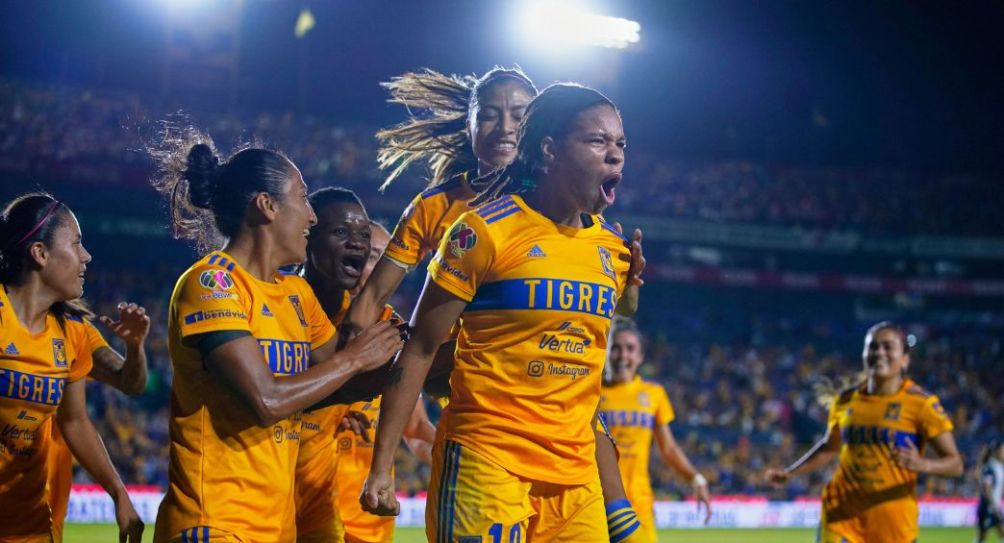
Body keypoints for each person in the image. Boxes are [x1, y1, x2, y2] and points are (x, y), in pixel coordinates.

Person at [362, 83, 643, 542]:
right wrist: (381, 467)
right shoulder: (481, 233)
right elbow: (419, 349)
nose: (615, 156)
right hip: (487, 460)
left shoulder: (612, 248)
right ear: (550, 150)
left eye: (620, 144)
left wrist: (632, 290)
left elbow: (615, 313)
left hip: (574, 478)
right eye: (597, 141)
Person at [147, 134, 404, 543]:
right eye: (302, 199)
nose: (312, 217)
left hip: (276, 528)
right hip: (213, 523)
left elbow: (341, 384)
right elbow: (267, 401)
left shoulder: (295, 294)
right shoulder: (213, 283)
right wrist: (353, 358)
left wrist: (438, 347)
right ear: (266, 206)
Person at [0, 192, 144, 542]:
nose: (87, 256)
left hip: (32, 524)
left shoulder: (72, 332)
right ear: (40, 253)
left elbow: (77, 419)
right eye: (77, 243)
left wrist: (119, 492)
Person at [295, 188, 434, 543]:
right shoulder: (308, 313)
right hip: (302, 505)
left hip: (368, 521)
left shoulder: (391, 329)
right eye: (373, 255)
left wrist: (465, 454)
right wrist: (335, 403)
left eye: (385, 259)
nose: (376, 267)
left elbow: (416, 428)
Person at [764, 321, 964, 543]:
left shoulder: (922, 405)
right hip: (840, 517)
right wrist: (791, 472)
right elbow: (830, 447)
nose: (879, 352)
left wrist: (923, 464)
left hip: (893, 525)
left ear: (905, 359)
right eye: (872, 347)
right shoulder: (845, 401)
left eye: (888, 347)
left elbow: (955, 464)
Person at [599, 317, 711, 541]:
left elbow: (668, 448)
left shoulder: (654, 394)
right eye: (616, 348)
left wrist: (696, 479)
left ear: (640, 356)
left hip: (639, 503)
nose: (623, 356)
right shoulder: (592, 391)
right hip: (597, 502)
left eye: (630, 349)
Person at [976, 438, 1004, 542]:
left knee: (983, 537)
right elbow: (987, 489)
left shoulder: (999, 467)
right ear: (996, 451)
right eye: (1003, 450)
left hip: (994, 506)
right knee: (982, 537)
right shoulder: (990, 468)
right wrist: (994, 506)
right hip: (988, 507)